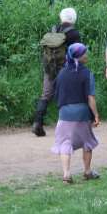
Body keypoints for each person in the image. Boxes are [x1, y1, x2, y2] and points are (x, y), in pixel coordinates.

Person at [50, 43, 100, 184]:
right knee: (87, 142)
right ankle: (87, 171)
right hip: (82, 113)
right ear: (79, 56)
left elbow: (56, 93)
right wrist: (95, 114)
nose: (87, 55)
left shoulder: (62, 73)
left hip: (65, 112)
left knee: (65, 142)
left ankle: (66, 174)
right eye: (84, 53)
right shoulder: (86, 73)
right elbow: (91, 98)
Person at [32, 7, 81, 137]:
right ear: (73, 19)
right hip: (66, 69)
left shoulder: (53, 30)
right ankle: (68, 126)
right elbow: (77, 53)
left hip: (49, 68)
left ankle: (37, 123)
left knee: (46, 95)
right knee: (68, 95)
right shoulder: (74, 34)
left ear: (61, 18)